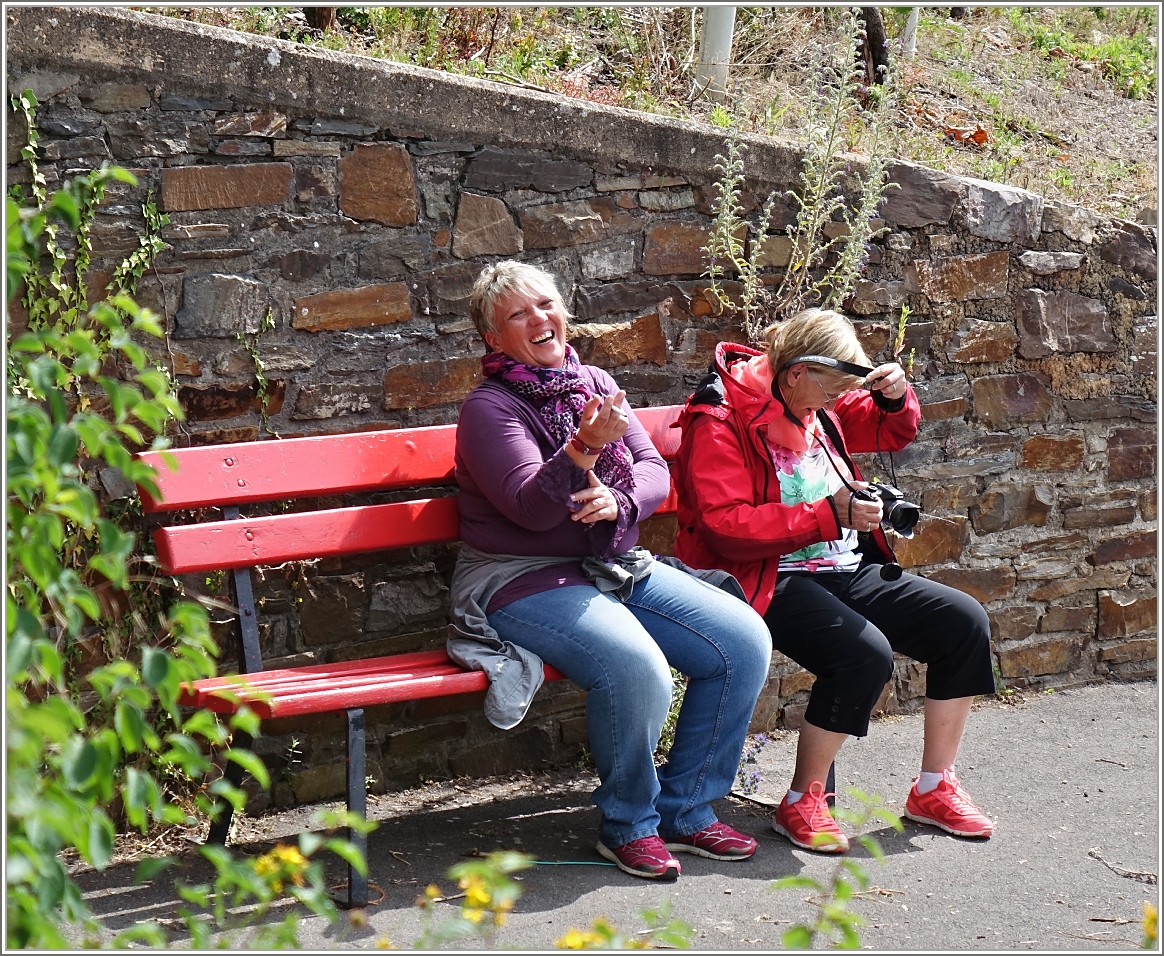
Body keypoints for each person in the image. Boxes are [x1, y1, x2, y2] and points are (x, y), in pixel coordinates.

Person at [446, 260, 772, 881]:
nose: (539, 319)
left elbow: (654, 472)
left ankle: (690, 809)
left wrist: (620, 502)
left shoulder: (592, 379)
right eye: (518, 314)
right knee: (636, 666)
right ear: (493, 338)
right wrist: (585, 450)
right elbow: (529, 509)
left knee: (741, 640)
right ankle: (629, 823)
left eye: (546, 304)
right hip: (520, 576)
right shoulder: (488, 409)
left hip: (610, 560)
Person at [671, 307, 996, 854]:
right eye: (832, 391)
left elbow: (888, 429)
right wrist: (829, 514)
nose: (837, 403)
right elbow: (725, 528)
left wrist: (895, 397)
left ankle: (934, 788)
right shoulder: (719, 418)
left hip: (839, 565)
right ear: (796, 372)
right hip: (760, 577)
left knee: (962, 622)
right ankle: (804, 799)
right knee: (862, 653)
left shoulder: (808, 392)